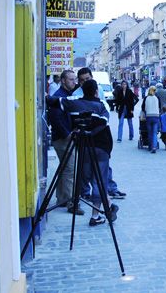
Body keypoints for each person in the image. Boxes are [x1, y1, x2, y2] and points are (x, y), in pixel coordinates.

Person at [56, 80, 119, 227]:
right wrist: (91, 130)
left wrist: (75, 129)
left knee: (90, 178)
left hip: (84, 145)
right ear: (96, 91)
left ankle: (107, 206)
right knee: (99, 180)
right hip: (101, 146)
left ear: (82, 91)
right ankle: (96, 215)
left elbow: (55, 102)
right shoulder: (102, 105)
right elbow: (103, 123)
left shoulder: (74, 103)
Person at [46, 70, 83, 215]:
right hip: (63, 139)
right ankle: (71, 202)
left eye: (74, 79)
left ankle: (62, 198)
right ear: (63, 81)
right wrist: (68, 135)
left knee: (64, 168)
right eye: (71, 79)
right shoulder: (59, 96)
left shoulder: (68, 94)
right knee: (70, 170)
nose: (74, 82)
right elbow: (55, 118)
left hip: (64, 137)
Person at [143, 86, 161, 154]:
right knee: (154, 133)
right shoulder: (156, 98)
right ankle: (154, 147)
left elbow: (144, 108)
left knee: (149, 132)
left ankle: (150, 146)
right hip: (156, 116)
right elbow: (159, 107)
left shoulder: (146, 98)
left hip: (149, 116)